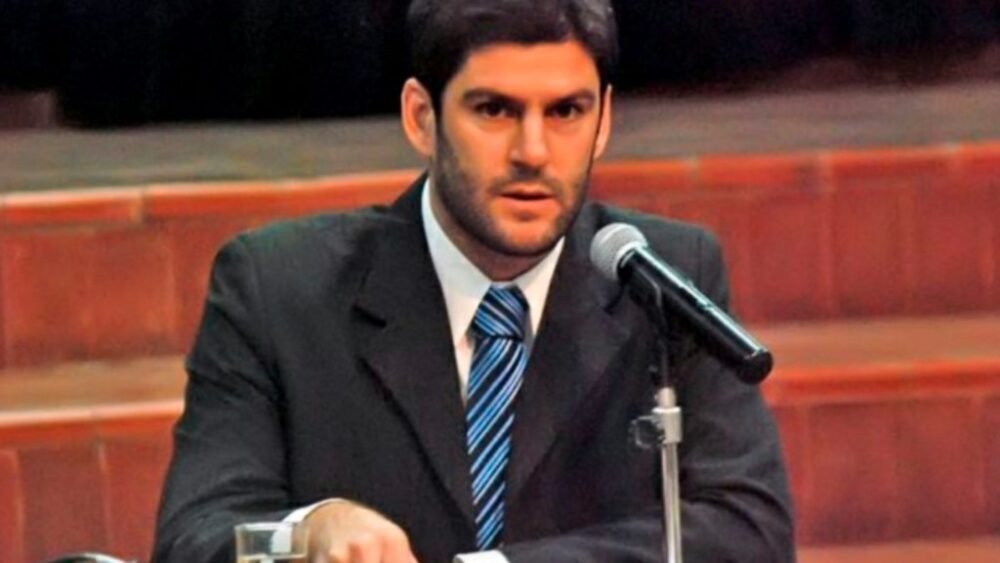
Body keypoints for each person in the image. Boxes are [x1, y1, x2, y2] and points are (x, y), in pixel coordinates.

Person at [153, 1, 794, 561]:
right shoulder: (277, 289)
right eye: (494, 110)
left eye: (567, 111)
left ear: (603, 122)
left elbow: (750, 530)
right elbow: (194, 538)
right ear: (420, 118)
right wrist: (306, 531)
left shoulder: (663, 280)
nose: (533, 152)